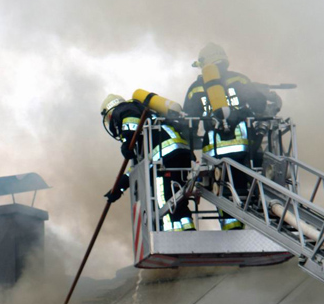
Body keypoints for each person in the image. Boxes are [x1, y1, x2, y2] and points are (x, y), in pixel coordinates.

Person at [183, 43, 267, 230]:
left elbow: (189, 120)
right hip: (246, 146)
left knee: (225, 190)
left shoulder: (197, 87)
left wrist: (190, 152)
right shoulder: (239, 79)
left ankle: (233, 228)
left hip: (216, 149)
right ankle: (260, 223)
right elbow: (259, 105)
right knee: (251, 187)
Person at [100, 94, 195, 232]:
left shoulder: (124, 109)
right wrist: (119, 188)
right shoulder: (145, 130)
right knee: (177, 197)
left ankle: (172, 234)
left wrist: (127, 140)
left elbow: (130, 117)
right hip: (180, 152)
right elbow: (137, 167)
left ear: (110, 112)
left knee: (164, 200)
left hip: (163, 158)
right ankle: (188, 230)